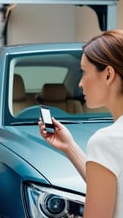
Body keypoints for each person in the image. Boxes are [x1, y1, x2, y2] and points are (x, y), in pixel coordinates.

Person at [38, 29, 123, 218]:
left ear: (108, 74)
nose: (80, 83)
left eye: (84, 72)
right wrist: (70, 148)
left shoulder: (106, 140)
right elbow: (113, 184)